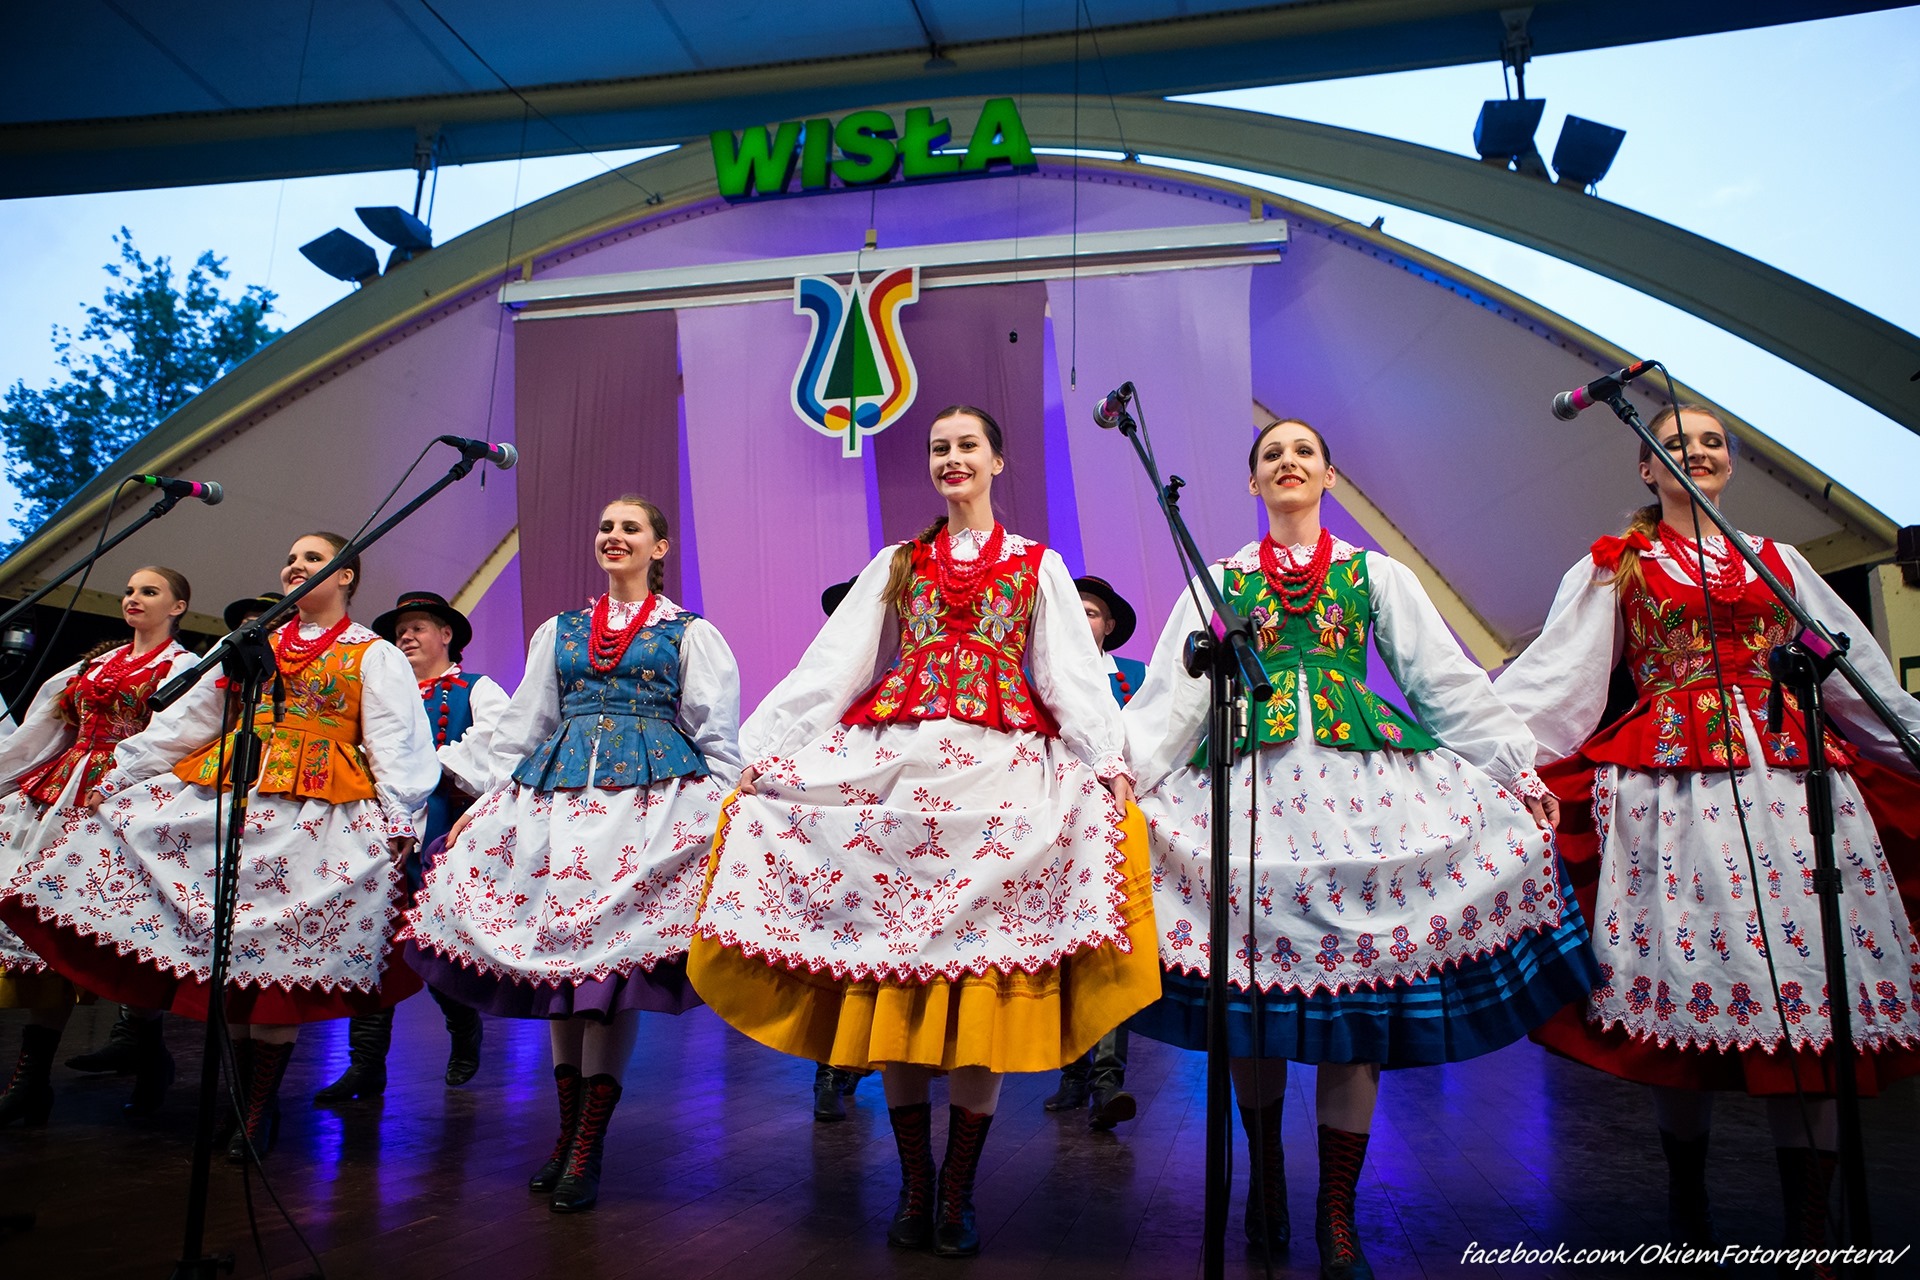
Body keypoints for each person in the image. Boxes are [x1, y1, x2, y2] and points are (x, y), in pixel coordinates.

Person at [1124, 418, 1596, 1279]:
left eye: (1303, 452)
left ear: (1330, 477)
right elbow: (1172, 700)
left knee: (1357, 1005)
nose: (1288, 462)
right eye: (1272, 455)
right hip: (1252, 792)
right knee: (1253, 994)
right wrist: (1126, 778)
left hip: (1360, 798)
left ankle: (1335, 1211)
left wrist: (1513, 769)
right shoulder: (1221, 580)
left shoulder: (1376, 575)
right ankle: (1266, 1176)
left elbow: (1442, 682)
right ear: (1253, 483)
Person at [687, 405, 1160, 1259]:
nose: (951, 458)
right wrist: (767, 755)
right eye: (940, 448)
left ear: (997, 462)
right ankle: (914, 1182)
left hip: (1002, 773)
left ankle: (958, 1189)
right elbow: (834, 667)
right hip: (901, 768)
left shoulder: (1039, 565)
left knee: (977, 984)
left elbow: (1068, 673)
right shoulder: (897, 563)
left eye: (967, 445)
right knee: (897, 982)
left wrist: (1108, 760)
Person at [1496, 404, 1920, 1261]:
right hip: (1671, 794)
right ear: (1646, 468)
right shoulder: (1618, 564)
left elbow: (1857, 680)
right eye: (1675, 443)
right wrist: (1483, 757)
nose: (1696, 452)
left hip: (1794, 787)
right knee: (1683, 974)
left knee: (1808, 986)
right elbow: (1557, 685)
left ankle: (1811, 1232)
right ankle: (1687, 1195)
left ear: (1730, 462)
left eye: (1711, 441)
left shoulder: (1780, 562)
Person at [0, 533, 439, 1163]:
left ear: (347, 577)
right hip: (232, 792)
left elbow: (398, 740)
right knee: (230, 963)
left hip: (316, 812)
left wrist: (398, 818)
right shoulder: (250, 643)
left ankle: (258, 1108)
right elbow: (191, 720)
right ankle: (238, 1101)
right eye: (290, 558)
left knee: (277, 962)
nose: (295, 566)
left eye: (313, 559)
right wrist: (124, 775)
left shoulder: (373, 654)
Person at [403, 496, 742, 1214]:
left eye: (630, 528)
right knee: (563, 975)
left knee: (608, 978)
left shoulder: (689, 633)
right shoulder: (559, 631)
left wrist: (725, 814)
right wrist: (481, 809)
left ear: (659, 547)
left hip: (646, 812)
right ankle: (566, 1136)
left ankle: (588, 1145)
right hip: (558, 806)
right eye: (606, 527)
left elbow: (715, 734)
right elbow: (523, 730)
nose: (614, 536)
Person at [66, 589, 291, 1084]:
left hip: (290, 790)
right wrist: (120, 779)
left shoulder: (311, 662)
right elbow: (185, 724)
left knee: (251, 928)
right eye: (248, 621)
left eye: (266, 620)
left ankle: (240, 1087)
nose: (255, 628)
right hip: (220, 776)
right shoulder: (219, 665)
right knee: (156, 891)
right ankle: (140, 1034)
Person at [0, 567, 198, 1124]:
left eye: (149, 592)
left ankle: (146, 1046)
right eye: (130, 590)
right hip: (65, 790)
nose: (134, 598)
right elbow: (41, 732)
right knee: (46, 922)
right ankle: (32, 1080)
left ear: (178, 607)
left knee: (123, 929)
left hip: (129, 798)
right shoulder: (95, 665)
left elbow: (183, 739)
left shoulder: (184, 667)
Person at [310, 591, 507, 1102]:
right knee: (369, 940)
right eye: (400, 630)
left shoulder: (476, 688)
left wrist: (423, 768)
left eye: (418, 627)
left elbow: (499, 743)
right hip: (373, 826)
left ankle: (463, 1027)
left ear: (447, 635)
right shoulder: (378, 691)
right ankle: (366, 1064)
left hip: (441, 830)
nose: (406, 636)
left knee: (431, 941)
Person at [1042, 574, 1147, 1130]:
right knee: (1066, 945)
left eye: (1091, 612)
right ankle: (1073, 1072)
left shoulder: (1135, 677)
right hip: (1058, 817)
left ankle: (1107, 1081)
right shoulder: (1042, 674)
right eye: (1074, 609)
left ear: (1109, 626)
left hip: (1116, 818)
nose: (1081, 619)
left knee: (1112, 949)